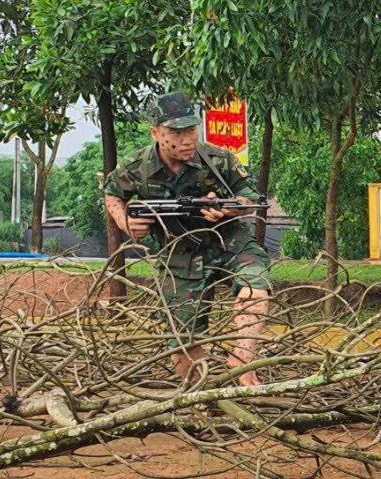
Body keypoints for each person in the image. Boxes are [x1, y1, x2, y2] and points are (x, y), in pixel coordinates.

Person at [102, 93, 271, 387]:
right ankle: (200, 396)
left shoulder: (218, 159)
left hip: (229, 241)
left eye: (191, 130)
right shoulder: (137, 166)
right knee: (182, 337)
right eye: (176, 133)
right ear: (156, 133)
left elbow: (252, 200)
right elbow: (112, 193)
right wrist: (124, 220)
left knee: (255, 289)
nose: (186, 140)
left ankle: (242, 364)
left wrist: (228, 207)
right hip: (179, 251)